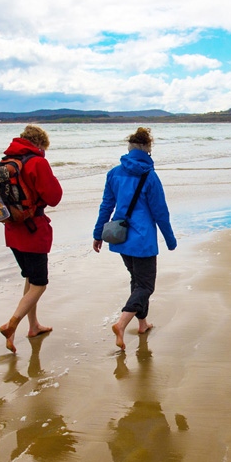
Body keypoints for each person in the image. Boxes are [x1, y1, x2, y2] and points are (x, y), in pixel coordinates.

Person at [93, 127, 177, 350]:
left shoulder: (114, 173)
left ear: (129, 148)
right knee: (146, 285)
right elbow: (160, 212)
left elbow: (106, 206)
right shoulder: (150, 176)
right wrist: (170, 239)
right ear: (148, 150)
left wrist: (97, 234)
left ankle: (142, 323)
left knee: (136, 281)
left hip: (120, 237)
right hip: (142, 240)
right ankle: (121, 324)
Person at [0, 125, 63, 353]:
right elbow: (54, 197)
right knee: (39, 283)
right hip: (33, 231)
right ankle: (12, 323)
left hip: (12, 230)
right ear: (40, 144)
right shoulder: (37, 162)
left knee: (29, 278)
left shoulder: (5, 162)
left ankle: (33, 325)